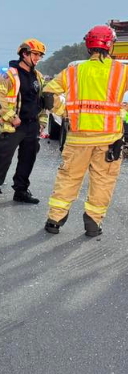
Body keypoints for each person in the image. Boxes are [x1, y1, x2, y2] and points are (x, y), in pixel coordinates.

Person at [43, 25, 128, 236]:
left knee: (68, 178)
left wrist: (67, 112)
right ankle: (92, 223)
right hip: (109, 140)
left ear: (88, 45)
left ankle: (54, 221)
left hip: (78, 138)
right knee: (102, 182)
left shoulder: (73, 71)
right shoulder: (122, 71)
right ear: (110, 45)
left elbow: (47, 94)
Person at [0, 39, 49, 204]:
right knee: (3, 157)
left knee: (28, 159)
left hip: (32, 125)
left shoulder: (38, 76)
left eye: (40, 55)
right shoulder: (9, 74)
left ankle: (21, 191)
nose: (38, 58)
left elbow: (42, 102)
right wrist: (12, 117)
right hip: (14, 125)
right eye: (35, 54)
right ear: (24, 54)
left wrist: (42, 122)